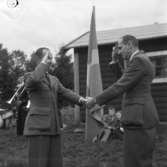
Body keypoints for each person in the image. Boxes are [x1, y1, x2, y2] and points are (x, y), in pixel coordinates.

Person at [86, 35, 159, 167]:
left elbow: (120, 86)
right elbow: (126, 79)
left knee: (137, 160)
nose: (119, 51)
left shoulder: (139, 61)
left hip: (139, 117)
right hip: (139, 116)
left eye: (120, 48)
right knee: (137, 158)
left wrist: (95, 101)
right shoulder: (141, 59)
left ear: (130, 45)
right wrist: (114, 61)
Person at [24, 47, 86, 167]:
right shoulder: (29, 76)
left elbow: (66, 92)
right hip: (38, 128)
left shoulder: (54, 79)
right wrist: (43, 63)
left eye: (51, 58)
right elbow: (36, 78)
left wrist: (81, 100)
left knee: (55, 163)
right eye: (48, 57)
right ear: (39, 59)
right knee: (38, 163)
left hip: (54, 126)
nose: (50, 60)